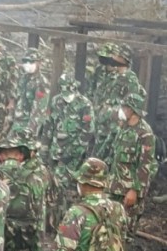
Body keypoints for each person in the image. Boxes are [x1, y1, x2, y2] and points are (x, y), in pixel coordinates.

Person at [100, 92, 157, 236]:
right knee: (106, 228)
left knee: (124, 232)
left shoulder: (145, 134)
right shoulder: (123, 128)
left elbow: (145, 166)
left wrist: (135, 191)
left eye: (125, 107)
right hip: (113, 187)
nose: (122, 110)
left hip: (128, 192)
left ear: (132, 110)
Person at [40, 73, 94, 226]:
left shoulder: (84, 105)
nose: (67, 96)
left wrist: (73, 152)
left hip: (73, 156)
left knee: (67, 187)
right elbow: (48, 127)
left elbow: (87, 132)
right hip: (56, 152)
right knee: (53, 186)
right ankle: (54, 221)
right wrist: (44, 150)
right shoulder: (56, 101)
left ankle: (67, 222)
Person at [92, 44, 146, 156]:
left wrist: (118, 116)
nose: (113, 57)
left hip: (115, 126)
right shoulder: (114, 76)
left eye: (116, 55)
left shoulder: (130, 79)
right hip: (103, 124)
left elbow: (132, 105)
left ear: (123, 58)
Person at [13, 48, 50, 138]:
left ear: (39, 63)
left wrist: (30, 130)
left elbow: (39, 110)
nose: (28, 64)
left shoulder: (42, 83)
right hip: (18, 122)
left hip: (31, 126)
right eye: (25, 61)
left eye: (31, 62)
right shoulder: (23, 78)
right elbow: (17, 98)